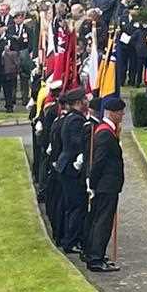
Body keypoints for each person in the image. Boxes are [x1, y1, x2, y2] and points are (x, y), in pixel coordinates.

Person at [83, 95, 126, 272]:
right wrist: (92, 184)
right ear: (113, 114)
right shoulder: (105, 134)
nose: (123, 115)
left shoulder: (107, 131)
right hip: (105, 185)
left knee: (100, 220)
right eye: (121, 113)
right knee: (103, 222)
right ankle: (95, 258)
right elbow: (98, 161)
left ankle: (96, 254)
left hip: (106, 185)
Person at [53, 88, 91, 252]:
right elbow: (77, 143)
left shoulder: (72, 118)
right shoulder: (76, 120)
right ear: (78, 102)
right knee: (76, 206)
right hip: (70, 168)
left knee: (74, 205)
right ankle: (71, 241)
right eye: (84, 99)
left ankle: (73, 238)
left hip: (66, 166)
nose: (86, 102)